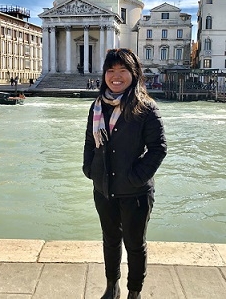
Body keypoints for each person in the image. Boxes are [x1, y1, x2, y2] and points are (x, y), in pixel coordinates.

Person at [83, 48, 167, 299]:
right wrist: (89, 169)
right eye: (111, 70)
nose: (115, 76)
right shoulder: (97, 105)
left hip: (136, 192)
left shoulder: (146, 108)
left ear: (134, 73)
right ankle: (112, 286)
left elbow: (158, 149)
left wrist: (136, 177)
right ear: (104, 74)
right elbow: (90, 141)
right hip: (103, 189)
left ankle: (134, 291)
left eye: (122, 70)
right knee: (109, 241)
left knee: (135, 245)